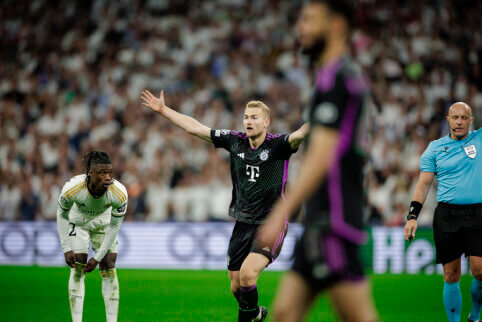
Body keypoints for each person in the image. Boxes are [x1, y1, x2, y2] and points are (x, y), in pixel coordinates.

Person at [141, 90, 308, 321]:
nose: (249, 121)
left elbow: (300, 134)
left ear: (266, 122)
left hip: (272, 222)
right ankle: (256, 313)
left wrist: (327, 115)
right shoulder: (234, 141)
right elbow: (196, 128)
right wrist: (163, 110)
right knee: (236, 287)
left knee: (248, 276)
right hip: (243, 221)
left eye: (255, 117)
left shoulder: (279, 146)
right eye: (246, 117)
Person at [258, 1, 378, 321]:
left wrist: (282, 211)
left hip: (333, 220)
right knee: (284, 313)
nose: (301, 27)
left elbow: (322, 157)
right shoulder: (331, 76)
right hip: (321, 218)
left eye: (310, 19)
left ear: (337, 25)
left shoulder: (339, 78)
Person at [404, 102, 482, 322]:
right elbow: (423, 184)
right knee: (451, 274)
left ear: (471, 120)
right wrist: (412, 217)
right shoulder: (435, 148)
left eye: (463, 118)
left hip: (478, 214)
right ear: (447, 119)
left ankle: (474, 316)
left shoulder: (480, 139)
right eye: (454, 117)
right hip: (447, 216)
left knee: (480, 271)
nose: (459, 122)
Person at [56, 151, 128, 322]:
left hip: (104, 222)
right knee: (78, 262)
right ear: (90, 173)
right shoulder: (72, 188)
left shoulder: (119, 193)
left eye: (110, 172)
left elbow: (114, 226)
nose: (108, 177)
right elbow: (62, 214)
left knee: (109, 265)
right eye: (102, 173)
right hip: (79, 222)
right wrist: (66, 248)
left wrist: (97, 257)